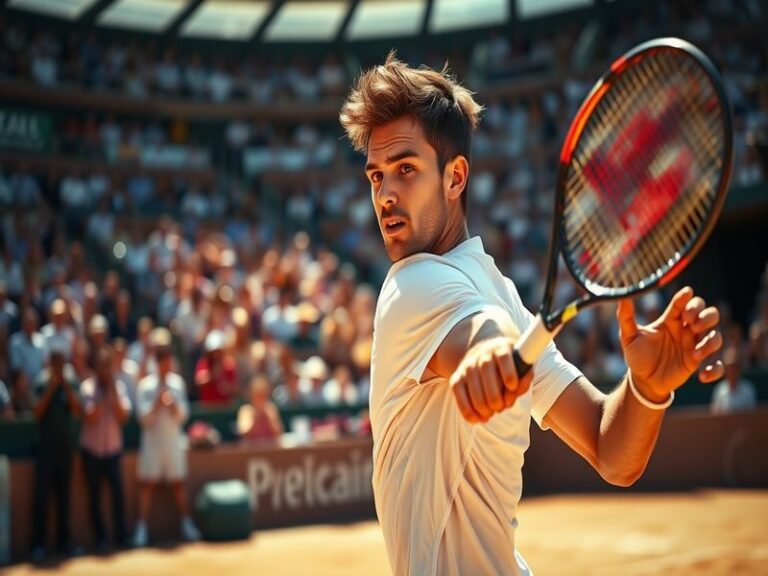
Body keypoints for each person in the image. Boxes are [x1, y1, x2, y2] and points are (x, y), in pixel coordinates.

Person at [339, 53, 725, 575]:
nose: (385, 194)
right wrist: (495, 350)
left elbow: (612, 449)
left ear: (455, 178)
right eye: (376, 176)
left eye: (405, 169)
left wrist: (647, 390)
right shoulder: (416, 287)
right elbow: (483, 332)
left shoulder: (487, 293)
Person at [134, 328, 200, 547]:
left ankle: (186, 525)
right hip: (152, 443)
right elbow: (143, 419)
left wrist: (172, 406)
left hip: (172, 441)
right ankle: (141, 530)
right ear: (157, 362)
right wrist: (156, 404)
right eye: (163, 361)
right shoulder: (145, 386)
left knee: (178, 484)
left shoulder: (177, 384)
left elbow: (184, 415)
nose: (166, 365)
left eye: (168, 361)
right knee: (147, 484)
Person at [30, 344, 82, 561]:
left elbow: (78, 410)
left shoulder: (70, 383)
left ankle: (65, 542)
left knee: (64, 498)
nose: (59, 367)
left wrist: (66, 388)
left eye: (62, 363)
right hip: (44, 451)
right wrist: (51, 389)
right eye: (56, 363)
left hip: (65, 450)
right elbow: (37, 412)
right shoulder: (41, 383)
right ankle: (38, 545)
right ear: (50, 363)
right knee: (41, 498)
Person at [79, 345, 132, 550]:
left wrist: (113, 394)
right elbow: (90, 417)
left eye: (108, 365)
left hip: (113, 449)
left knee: (118, 493)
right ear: (96, 367)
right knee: (94, 496)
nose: (105, 369)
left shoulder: (118, 387)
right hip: (91, 450)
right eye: (102, 365)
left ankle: (121, 536)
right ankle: (99, 537)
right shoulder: (87, 388)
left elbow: (124, 417)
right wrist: (103, 396)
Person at [236, 375, 284, 443]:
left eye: (262, 396)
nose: (260, 400)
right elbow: (244, 434)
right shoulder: (245, 410)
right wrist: (256, 419)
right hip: (251, 450)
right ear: (251, 396)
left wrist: (268, 418)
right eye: (257, 396)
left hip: (270, 448)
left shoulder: (270, 408)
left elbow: (279, 433)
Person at [711, 347, 758, 414]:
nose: (732, 371)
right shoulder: (719, 390)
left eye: (734, 367)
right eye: (729, 368)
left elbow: (753, 415)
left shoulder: (748, 389)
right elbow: (715, 415)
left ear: (739, 368)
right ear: (726, 370)